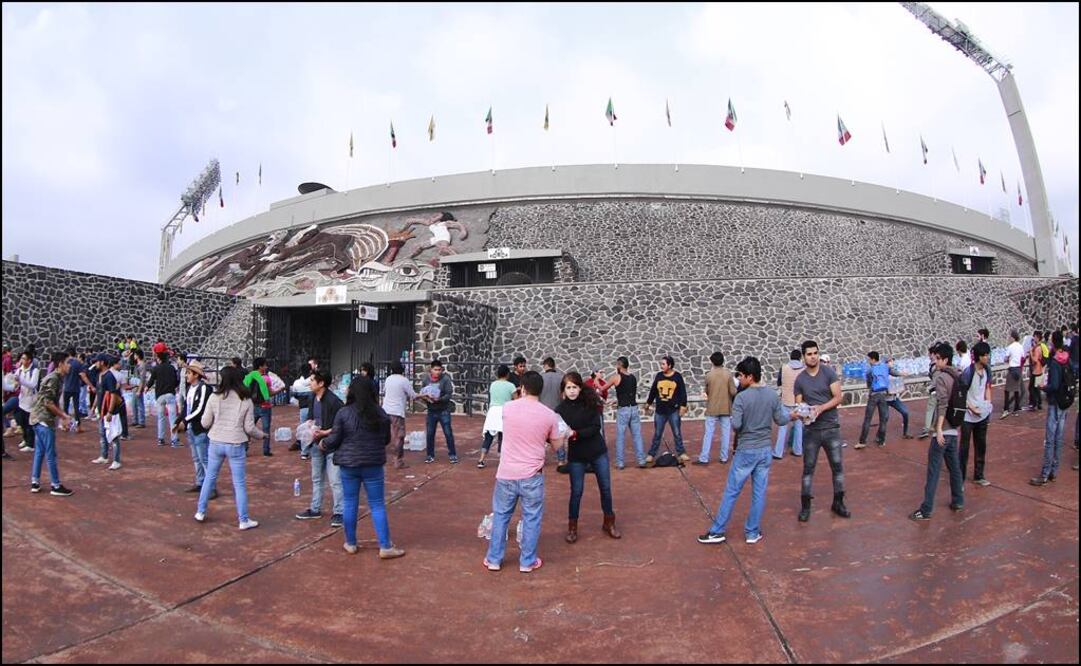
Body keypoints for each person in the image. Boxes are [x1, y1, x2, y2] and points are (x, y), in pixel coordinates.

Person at [698, 356, 789, 545]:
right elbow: (781, 420)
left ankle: (717, 530)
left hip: (746, 449)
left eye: (740, 375)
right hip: (764, 449)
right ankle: (752, 531)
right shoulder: (772, 395)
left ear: (749, 376)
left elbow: (737, 425)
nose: (739, 378)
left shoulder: (742, 398)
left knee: (732, 491)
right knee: (759, 492)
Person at [483, 371, 564, 573]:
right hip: (532, 475)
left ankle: (494, 559)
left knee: (501, 516)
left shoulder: (508, 408)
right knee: (531, 518)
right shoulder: (548, 415)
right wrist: (565, 432)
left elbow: (512, 412)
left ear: (522, 387)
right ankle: (527, 562)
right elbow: (557, 446)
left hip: (507, 473)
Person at [317, 377, 405, 559]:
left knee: (350, 502)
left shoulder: (344, 413)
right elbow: (386, 440)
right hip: (373, 464)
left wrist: (323, 444)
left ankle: (350, 543)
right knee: (377, 504)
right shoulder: (380, 413)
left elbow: (335, 439)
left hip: (349, 465)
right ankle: (385, 546)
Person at [196, 366, 265, 530]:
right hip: (236, 443)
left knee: (210, 477)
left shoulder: (214, 397)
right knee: (239, 483)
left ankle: (200, 511)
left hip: (216, 441)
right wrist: (262, 435)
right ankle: (243, 519)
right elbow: (249, 428)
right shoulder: (246, 399)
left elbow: (205, 422)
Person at [556, 372, 620, 544]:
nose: (571, 391)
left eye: (574, 387)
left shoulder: (590, 402)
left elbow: (595, 427)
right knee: (576, 492)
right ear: (563, 390)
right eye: (568, 388)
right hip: (577, 455)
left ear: (580, 387)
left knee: (605, 488)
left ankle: (609, 522)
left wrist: (575, 433)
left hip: (597, 451)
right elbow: (556, 430)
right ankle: (572, 527)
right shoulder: (560, 410)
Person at [792, 341, 849, 522]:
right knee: (808, 469)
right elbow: (799, 404)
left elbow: (838, 397)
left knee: (837, 467)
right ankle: (806, 506)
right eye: (809, 354)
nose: (813, 356)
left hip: (831, 427)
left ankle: (838, 502)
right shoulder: (800, 379)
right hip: (812, 431)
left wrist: (821, 408)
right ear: (803, 357)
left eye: (815, 353)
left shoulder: (828, 373)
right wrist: (802, 413)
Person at [909, 342, 964, 520]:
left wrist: (938, 429)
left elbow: (942, 404)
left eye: (938, 358)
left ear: (945, 359)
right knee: (954, 468)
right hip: (954, 429)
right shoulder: (956, 374)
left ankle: (926, 509)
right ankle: (958, 500)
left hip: (944, 430)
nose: (936, 361)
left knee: (933, 470)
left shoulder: (941, 377)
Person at [296, 370, 345, 526]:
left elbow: (340, 425)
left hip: (331, 445)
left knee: (335, 481)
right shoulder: (312, 398)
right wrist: (309, 427)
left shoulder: (334, 402)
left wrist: (324, 432)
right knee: (316, 478)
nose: (310, 382)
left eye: (312, 380)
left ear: (321, 383)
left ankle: (340, 512)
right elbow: (311, 418)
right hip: (316, 443)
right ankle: (315, 508)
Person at [28, 351, 75, 496]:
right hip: (43, 420)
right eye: (68, 362)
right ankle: (55, 485)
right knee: (50, 454)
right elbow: (48, 402)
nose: (70, 366)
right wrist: (64, 416)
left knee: (40, 451)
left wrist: (62, 416)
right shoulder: (53, 378)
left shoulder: (58, 378)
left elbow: (53, 402)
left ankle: (35, 482)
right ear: (60, 364)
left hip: (39, 418)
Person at [1031, 331, 1072, 486]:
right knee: (1059, 439)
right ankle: (1054, 471)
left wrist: (1043, 387)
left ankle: (1045, 473)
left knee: (1050, 440)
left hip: (1055, 402)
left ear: (1053, 343)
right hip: (1064, 403)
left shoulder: (1055, 362)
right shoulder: (1067, 359)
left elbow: (1053, 385)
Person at [177, 361, 215, 497]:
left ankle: (211, 487)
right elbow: (187, 408)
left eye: (188, 373)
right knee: (196, 458)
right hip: (192, 428)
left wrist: (185, 421)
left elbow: (200, 409)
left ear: (196, 375)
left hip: (200, 428)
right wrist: (179, 421)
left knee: (204, 458)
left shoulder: (204, 388)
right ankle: (200, 482)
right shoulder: (190, 389)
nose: (186, 375)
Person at [958, 342, 993, 486]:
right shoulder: (968, 372)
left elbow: (987, 388)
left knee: (981, 445)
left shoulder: (987, 371)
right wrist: (971, 408)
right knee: (964, 448)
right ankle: (960, 478)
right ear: (978, 356)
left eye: (988, 354)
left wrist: (988, 404)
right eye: (985, 355)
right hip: (968, 415)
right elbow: (961, 393)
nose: (987, 357)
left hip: (981, 414)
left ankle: (979, 475)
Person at [644, 356, 689, 466]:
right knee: (658, 433)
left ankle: (681, 452)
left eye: (664, 364)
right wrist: (648, 403)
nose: (661, 366)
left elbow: (683, 392)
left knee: (677, 432)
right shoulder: (659, 376)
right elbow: (654, 390)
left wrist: (683, 406)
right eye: (661, 364)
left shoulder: (677, 377)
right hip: (660, 411)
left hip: (673, 410)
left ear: (670, 365)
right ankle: (651, 454)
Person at [698, 352, 737, 465]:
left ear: (712, 361)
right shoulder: (728, 374)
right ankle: (724, 457)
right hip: (725, 407)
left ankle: (704, 457)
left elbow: (707, 390)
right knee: (725, 433)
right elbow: (733, 391)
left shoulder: (709, 375)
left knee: (708, 433)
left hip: (712, 407)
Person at [607, 356, 646, 469]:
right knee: (637, 436)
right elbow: (628, 392)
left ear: (619, 365)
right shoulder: (633, 377)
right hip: (633, 407)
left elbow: (603, 387)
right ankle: (641, 460)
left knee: (620, 436)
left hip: (623, 409)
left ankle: (620, 462)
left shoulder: (616, 377)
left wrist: (595, 380)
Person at [419, 359, 457, 464]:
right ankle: (430, 455)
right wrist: (425, 398)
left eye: (439, 370)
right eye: (435, 370)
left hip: (443, 410)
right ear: (431, 370)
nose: (437, 372)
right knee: (430, 433)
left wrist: (439, 399)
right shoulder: (426, 379)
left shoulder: (445, 379)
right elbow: (422, 392)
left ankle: (452, 454)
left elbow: (449, 394)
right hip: (431, 410)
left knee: (448, 432)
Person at [91, 356, 125, 470]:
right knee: (103, 434)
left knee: (114, 435)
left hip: (110, 411)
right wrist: (93, 407)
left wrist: (110, 411)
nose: (95, 364)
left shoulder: (109, 376)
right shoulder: (99, 376)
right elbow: (98, 393)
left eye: (97, 361)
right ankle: (104, 456)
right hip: (101, 411)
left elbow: (114, 394)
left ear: (102, 362)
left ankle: (116, 460)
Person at [478, 365, 515, 469]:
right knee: (503, 437)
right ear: (507, 374)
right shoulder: (511, 385)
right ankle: (503, 459)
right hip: (505, 411)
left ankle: (481, 459)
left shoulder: (493, 384)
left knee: (489, 437)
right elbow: (515, 399)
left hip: (493, 412)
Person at [382, 361, 417, 469]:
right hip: (397, 411)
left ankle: (382, 457)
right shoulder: (404, 380)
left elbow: (385, 391)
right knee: (399, 436)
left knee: (386, 435)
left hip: (385, 410)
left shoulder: (388, 379)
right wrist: (425, 395)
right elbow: (413, 395)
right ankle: (398, 460)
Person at [243, 357, 280, 456]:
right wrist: (267, 398)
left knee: (248, 428)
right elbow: (265, 389)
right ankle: (266, 450)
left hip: (252, 405)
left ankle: (244, 449)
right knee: (266, 428)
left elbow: (244, 386)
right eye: (265, 365)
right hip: (264, 406)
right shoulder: (264, 377)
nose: (266, 367)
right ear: (260, 366)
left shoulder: (249, 376)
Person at [773, 349, 805, 459]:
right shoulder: (804, 370)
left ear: (790, 357)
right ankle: (798, 450)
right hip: (798, 402)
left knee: (783, 427)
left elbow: (779, 383)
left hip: (786, 401)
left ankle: (778, 452)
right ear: (800, 358)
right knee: (798, 427)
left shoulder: (784, 368)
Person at [856, 351, 890, 449]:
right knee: (883, 419)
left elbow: (869, 384)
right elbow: (892, 373)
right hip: (883, 394)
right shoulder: (885, 366)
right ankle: (881, 441)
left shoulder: (870, 371)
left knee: (868, 419)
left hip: (874, 395)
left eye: (869, 359)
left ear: (873, 359)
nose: (868, 361)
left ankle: (862, 441)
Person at [147, 351, 180, 447]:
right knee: (173, 418)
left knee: (161, 418)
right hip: (170, 394)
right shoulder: (172, 368)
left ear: (159, 359)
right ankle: (174, 440)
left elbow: (151, 380)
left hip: (160, 395)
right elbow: (176, 381)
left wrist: (147, 387)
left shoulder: (156, 368)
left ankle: (161, 439)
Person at [884, 357, 915, 440]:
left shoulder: (894, 370)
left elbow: (897, 379)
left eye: (892, 361)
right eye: (889, 361)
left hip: (893, 398)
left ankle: (905, 433)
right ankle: (880, 436)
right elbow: (893, 373)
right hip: (884, 399)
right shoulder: (883, 371)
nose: (891, 362)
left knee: (905, 412)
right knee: (885, 417)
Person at [15, 350, 40, 452]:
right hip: (22, 399)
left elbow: (33, 384)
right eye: (21, 358)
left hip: (31, 400)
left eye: (24, 359)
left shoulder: (34, 371)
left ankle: (31, 444)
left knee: (30, 423)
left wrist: (20, 380)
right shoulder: (20, 370)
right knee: (22, 421)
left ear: (29, 360)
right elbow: (15, 381)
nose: (22, 360)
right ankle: (25, 439)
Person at [61, 347, 90, 433]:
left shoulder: (65, 362)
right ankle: (78, 426)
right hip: (76, 388)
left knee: (65, 407)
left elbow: (62, 374)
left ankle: (65, 425)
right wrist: (91, 385)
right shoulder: (78, 363)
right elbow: (83, 376)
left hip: (66, 388)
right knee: (76, 408)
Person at [1002, 329, 1024, 418]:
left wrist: (1007, 359)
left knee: (1007, 390)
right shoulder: (1020, 346)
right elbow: (1022, 357)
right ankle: (1016, 409)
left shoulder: (1010, 347)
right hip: (1018, 369)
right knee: (1016, 390)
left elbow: (1006, 358)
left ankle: (1006, 409)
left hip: (1012, 369)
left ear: (1013, 337)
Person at [1025, 331, 1049, 411]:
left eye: (1034, 337)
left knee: (1032, 387)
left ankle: (1035, 403)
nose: (1033, 338)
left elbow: (1035, 360)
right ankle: (1038, 404)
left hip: (1036, 370)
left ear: (1037, 337)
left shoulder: (1037, 348)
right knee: (1036, 387)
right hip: (1038, 370)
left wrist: (1031, 353)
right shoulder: (1040, 346)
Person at [129, 349, 148, 429]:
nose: (134, 356)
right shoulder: (137, 364)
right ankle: (135, 420)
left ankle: (141, 421)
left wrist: (140, 389)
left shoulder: (142, 365)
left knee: (140, 404)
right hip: (135, 386)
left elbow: (142, 378)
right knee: (134, 404)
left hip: (138, 386)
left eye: (135, 355)